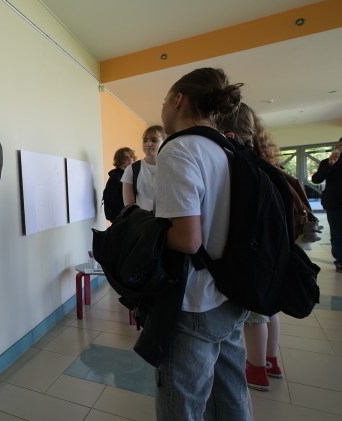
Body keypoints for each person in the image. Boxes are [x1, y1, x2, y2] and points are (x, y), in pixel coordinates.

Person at [155, 67, 250, 420]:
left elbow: (187, 239)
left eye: (164, 100)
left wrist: (143, 231)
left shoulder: (179, 150)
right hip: (232, 292)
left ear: (178, 100)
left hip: (195, 301)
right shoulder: (227, 148)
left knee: (182, 406)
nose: (163, 107)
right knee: (231, 395)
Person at [215, 103, 286, 391]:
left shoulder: (242, 165)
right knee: (269, 311)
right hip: (273, 253)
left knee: (254, 315)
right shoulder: (263, 162)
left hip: (256, 255)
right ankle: (270, 360)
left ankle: (256, 369)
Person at [311, 136, 342, 272]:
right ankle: (340, 261)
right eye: (341, 145)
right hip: (334, 204)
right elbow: (316, 179)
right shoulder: (327, 162)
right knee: (337, 235)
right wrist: (330, 164)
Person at [121, 126, 165, 211]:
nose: (148, 144)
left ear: (164, 143)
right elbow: (129, 206)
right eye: (145, 140)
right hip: (141, 218)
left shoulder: (171, 167)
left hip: (167, 218)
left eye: (154, 140)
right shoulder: (132, 169)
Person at [102, 147, 136, 221]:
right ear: (120, 160)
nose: (130, 159)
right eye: (126, 157)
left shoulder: (131, 175)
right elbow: (112, 202)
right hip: (122, 219)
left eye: (131, 157)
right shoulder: (115, 178)